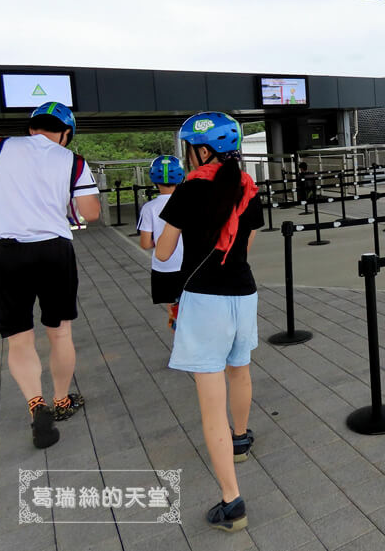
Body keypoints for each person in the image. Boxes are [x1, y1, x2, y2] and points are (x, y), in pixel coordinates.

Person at [154, 112, 263, 533]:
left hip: (204, 301)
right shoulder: (248, 188)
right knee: (241, 370)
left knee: (209, 403)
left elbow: (163, 254)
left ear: (203, 150)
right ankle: (241, 440)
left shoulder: (188, 189)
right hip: (243, 294)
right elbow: (244, 246)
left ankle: (231, 502)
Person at [0, 102, 101, 449]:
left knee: (19, 338)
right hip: (55, 251)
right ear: (66, 134)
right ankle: (60, 400)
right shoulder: (72, 161)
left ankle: (35, 403)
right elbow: (90, 213)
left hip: (9, 253)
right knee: (59, 333)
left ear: (31, 128)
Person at [137, 155, 185, 331]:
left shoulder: (149, 208)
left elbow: (145, 244)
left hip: (164, 268)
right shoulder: (190, 203)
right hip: (190, 266)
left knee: (174, 311)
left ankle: (179, 350)